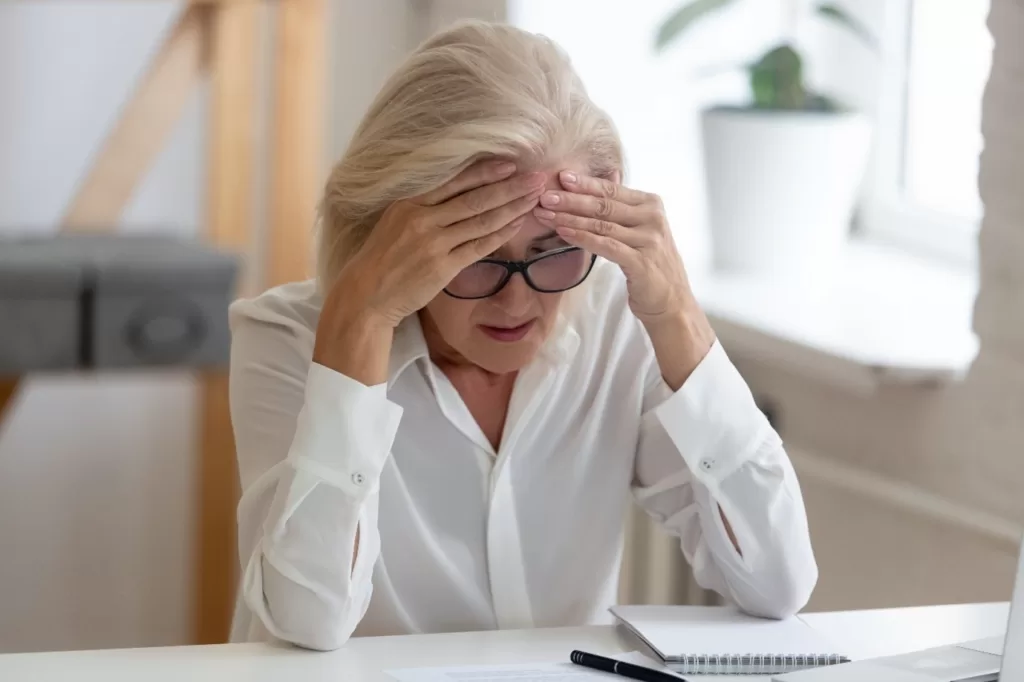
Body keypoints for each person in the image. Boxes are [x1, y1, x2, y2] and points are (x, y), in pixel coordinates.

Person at [227, 20, 817, 651]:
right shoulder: (286, 339)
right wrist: (362, 324)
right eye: (476, 253)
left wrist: (678, 316)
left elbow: (778, 583)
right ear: (393, 236)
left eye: (552, 250)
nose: (519, 299)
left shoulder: (618, 327)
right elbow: (307, 620)